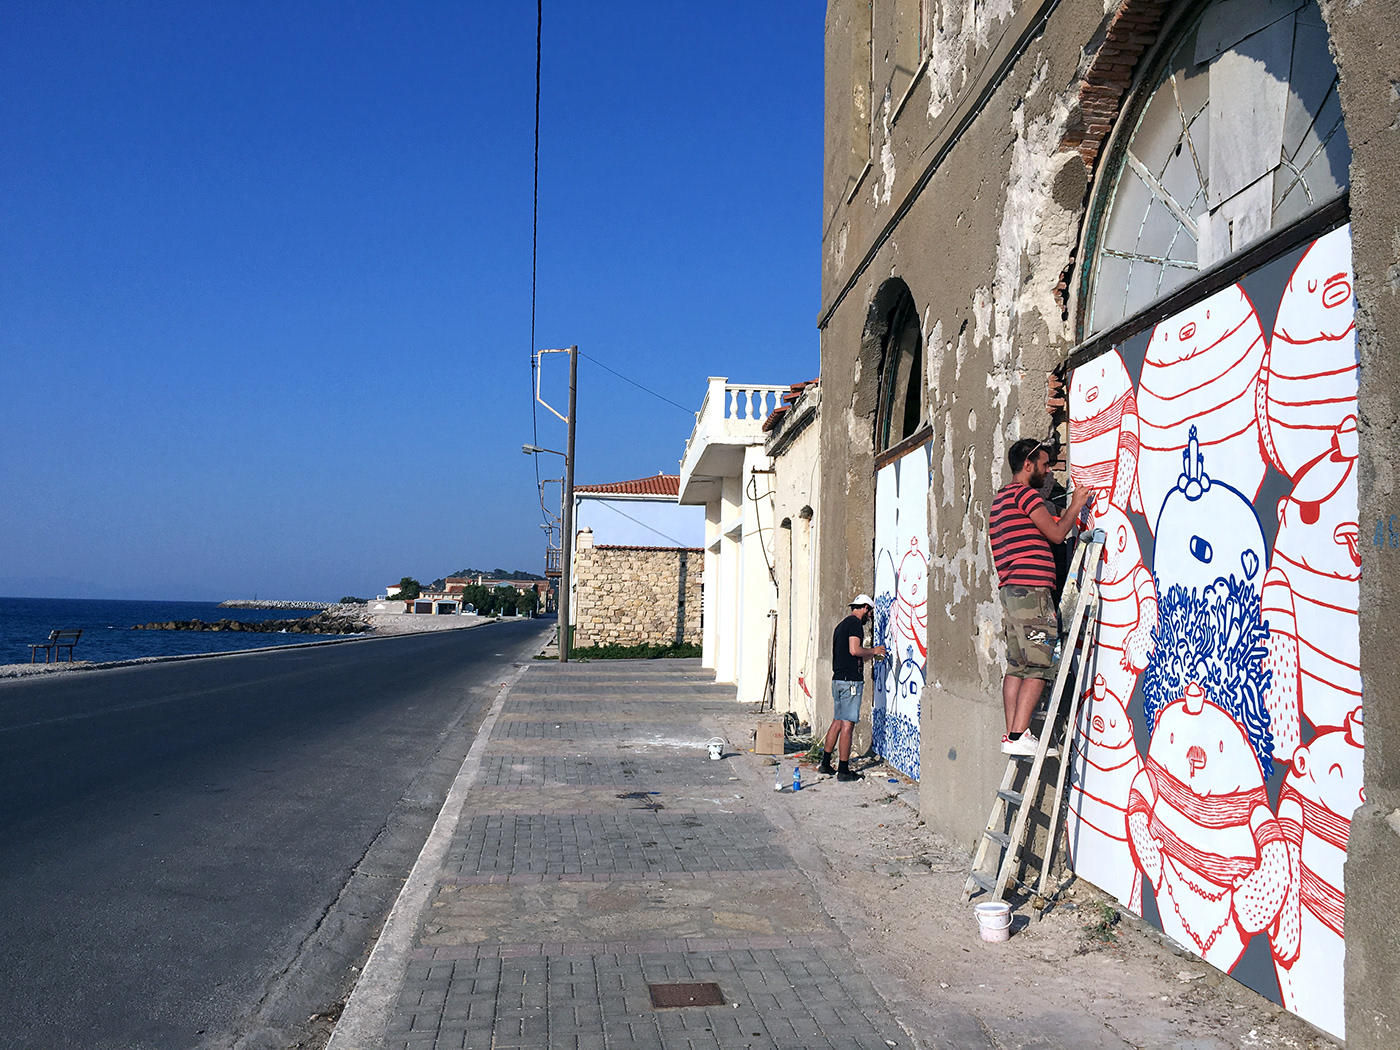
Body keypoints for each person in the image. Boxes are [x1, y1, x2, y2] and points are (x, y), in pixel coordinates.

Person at [989, 438, 1093, 756]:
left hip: (1012, 591)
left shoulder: (1001, 499)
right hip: (1033, 591)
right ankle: (1020, 736)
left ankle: (1012, 735)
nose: (1049, 473)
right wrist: (1077, 504)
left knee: (1017, 666)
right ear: (1029, 465)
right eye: (1046, 465)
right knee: (1039, 665)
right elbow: (1058, 534)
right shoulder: (1024, 494)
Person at [818, 594, 887, 781]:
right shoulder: (856, 624)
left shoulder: (841, 626)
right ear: (865, 608)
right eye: (870, 612)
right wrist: (874, 650)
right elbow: (855, 650)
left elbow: (854, 655)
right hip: (851, 683)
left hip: (838, 679)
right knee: (848, 724)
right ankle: (843, 770)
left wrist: (871, 655)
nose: (869, 617)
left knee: (838, 721)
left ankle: (825, 763)